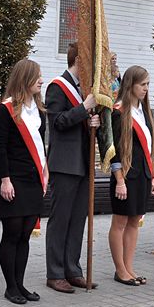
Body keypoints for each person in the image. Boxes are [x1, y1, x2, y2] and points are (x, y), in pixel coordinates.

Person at [44, 43, 101, 293]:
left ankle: (72, 269)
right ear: (79, 59)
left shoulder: (84, 89)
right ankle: (55, 272)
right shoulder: (57, 87)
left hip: (84, 163)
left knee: (78, 219)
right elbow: (58, 122)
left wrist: (92, 121)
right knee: (61, 219)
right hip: (65, 164)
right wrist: (84, 109)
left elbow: (79, 120)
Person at [0, 59, 48, 304]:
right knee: (13, 232)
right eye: (37, 76)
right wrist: (5, 180)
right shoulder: (6, 109)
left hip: (33, 179)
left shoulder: (39, 110)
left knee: (26, 233)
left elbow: (41, 147)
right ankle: (10, 287)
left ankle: (21, 284)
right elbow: (1, 149)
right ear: (24, 78)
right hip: (13, 179)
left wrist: (45, 172)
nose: (41, 80)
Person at [108, 66, 154, 285]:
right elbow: (114, 151)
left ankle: (129, 267)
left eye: (148, 84)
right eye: (142, 85)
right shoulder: (118, 112)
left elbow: (150, 147)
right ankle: (120, 269)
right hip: (126, 176)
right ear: (131, 85)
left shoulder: (144, 112)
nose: (146, 89)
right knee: (120, 222)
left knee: (134, 221)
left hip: (143, 175)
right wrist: (119, 180)